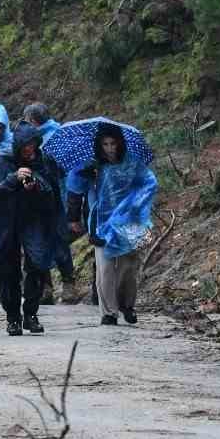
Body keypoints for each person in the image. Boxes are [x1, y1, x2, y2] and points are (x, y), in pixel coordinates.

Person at [0, 124, 65, 336]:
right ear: (17, 145)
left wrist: (35, 185)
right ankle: (12, 317)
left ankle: (31, 313)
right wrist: (14, 179)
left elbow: (53, 191)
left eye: (33, 144)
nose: (29, 149)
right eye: (25, 145)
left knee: (38, 264)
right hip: (6, 220)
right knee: (8, 271)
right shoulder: (2, 161)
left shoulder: (44, 161)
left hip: (35, 220)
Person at [67, 123, 157, 326]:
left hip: (129, 221)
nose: (110, 148)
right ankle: (108, 311)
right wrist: (73, 217)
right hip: (100, 221)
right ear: (99, 146)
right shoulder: (90, 166)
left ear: (120, 143)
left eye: (113, 143)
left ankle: (127, 305)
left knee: (128, 266)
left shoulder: (132, 164)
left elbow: (147, 185)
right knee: (105, 268)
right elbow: (75, 190)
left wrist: (135, 205)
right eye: (105, 144)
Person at [25, 101, 81, 305]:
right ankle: (65, 286)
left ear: (32, 120)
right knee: (57, 243)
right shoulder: (61, 135)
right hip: (57, 198)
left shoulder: (43, 140)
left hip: (46, 199)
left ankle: (49, 287)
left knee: (46, 243)